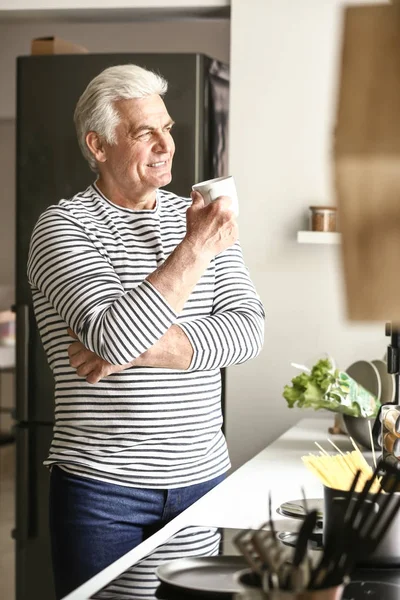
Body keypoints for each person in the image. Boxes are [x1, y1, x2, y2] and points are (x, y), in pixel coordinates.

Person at [27, 63, 265, 599]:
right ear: (99, 144)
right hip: (102, 489)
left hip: (201, 479)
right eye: (144, 133)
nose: (166, 146)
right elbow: (113, 337)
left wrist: (132, 348)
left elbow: (249, 331)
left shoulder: (198, 214)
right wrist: (194, 250)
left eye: (168, 128)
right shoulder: (63, 227)